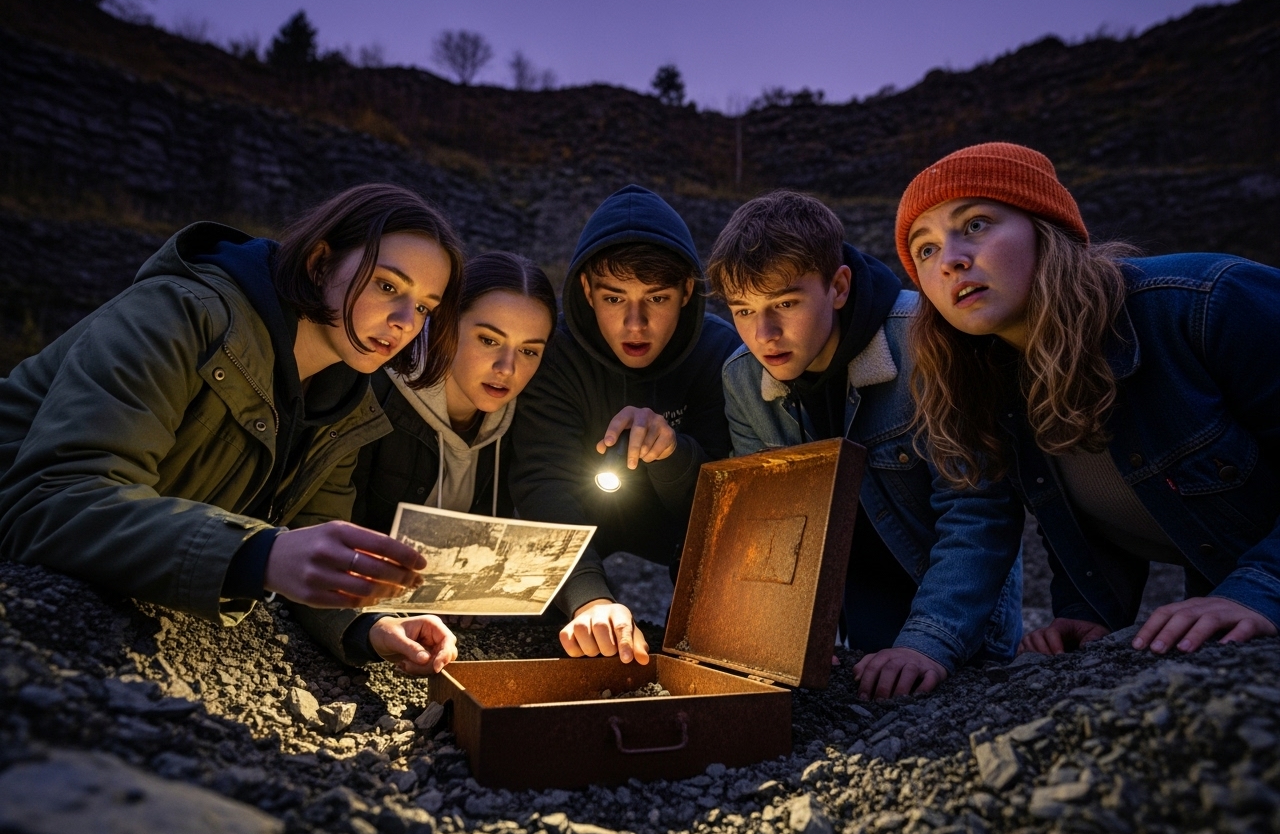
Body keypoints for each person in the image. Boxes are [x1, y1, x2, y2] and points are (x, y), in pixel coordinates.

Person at [0, 183, 462, 675]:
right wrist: (257, 552)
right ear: (320, 262)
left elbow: (311, 544)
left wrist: (371, 626)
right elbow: (52, 496)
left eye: (424, 308)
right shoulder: (178, 314)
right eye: (388, 286)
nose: (404, 322)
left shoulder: (346, 403)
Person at [897, 141, 1280, 658]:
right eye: (925, 249)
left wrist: (1261, 590)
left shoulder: (1207, 304)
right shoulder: (990, 385)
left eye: (976, 224)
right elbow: (1100, 506)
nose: (951, 260)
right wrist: (1085, 613)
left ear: (1046, 229)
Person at [708, 190, 1025, 700]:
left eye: (785, 303)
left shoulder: (926, 340)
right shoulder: (743, 378)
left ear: (837, 287)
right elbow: (767, 525)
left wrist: (929, 641)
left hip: (952, 594)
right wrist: (783, 637)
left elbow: (978, 508)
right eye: (743, 310)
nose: (763, 334)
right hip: (857, 595)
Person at [510, 184, 741, 665]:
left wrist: (673, 452)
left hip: (676, 518)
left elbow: (724, 498)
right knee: (544, 623)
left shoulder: (721, 354)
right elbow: (542, 480)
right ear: (587, 291)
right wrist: (589, 597)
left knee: (729, 631)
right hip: (580, 507)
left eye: (656, 298)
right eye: (615, 298)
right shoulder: (555, 355)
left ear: (686, 292)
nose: (635, 324)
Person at [297, 251, 557, 666]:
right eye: (488, 340)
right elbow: (318, 534)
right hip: (351, 619)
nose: (507, 368)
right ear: (444, 327)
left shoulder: (526, 421)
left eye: (529, 351)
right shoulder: (370, 393)